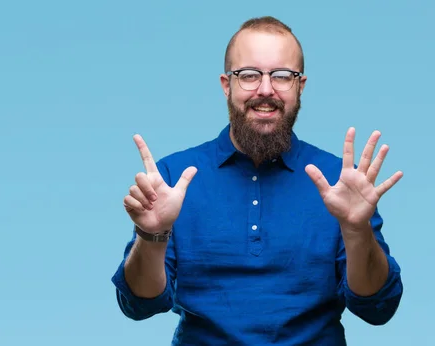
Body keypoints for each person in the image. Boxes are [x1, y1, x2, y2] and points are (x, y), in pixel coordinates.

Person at [110, 16, 404, 345]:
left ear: (300, 86)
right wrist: (152, 236)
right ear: (227, 84)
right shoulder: (173, 178)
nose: (265, 89)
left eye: (282, 76)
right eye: (249, 75)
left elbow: (379, 308)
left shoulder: (340, 183)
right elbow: (138, 304)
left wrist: (356, 231)